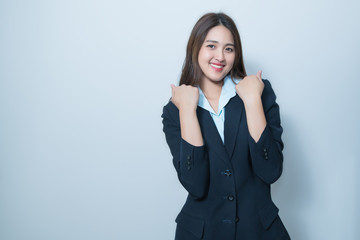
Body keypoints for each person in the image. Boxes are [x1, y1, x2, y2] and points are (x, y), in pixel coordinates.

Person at [161, 12, 290, 240]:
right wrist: (188, 111)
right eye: (211, 46)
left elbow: (270, 171)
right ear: (196, 48)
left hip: (259, 231)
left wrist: (252, 102)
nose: (220, 56)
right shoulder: (175, 110)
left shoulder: (259, 92)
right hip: (203, 233)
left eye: (228, 49)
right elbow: (196, 185)